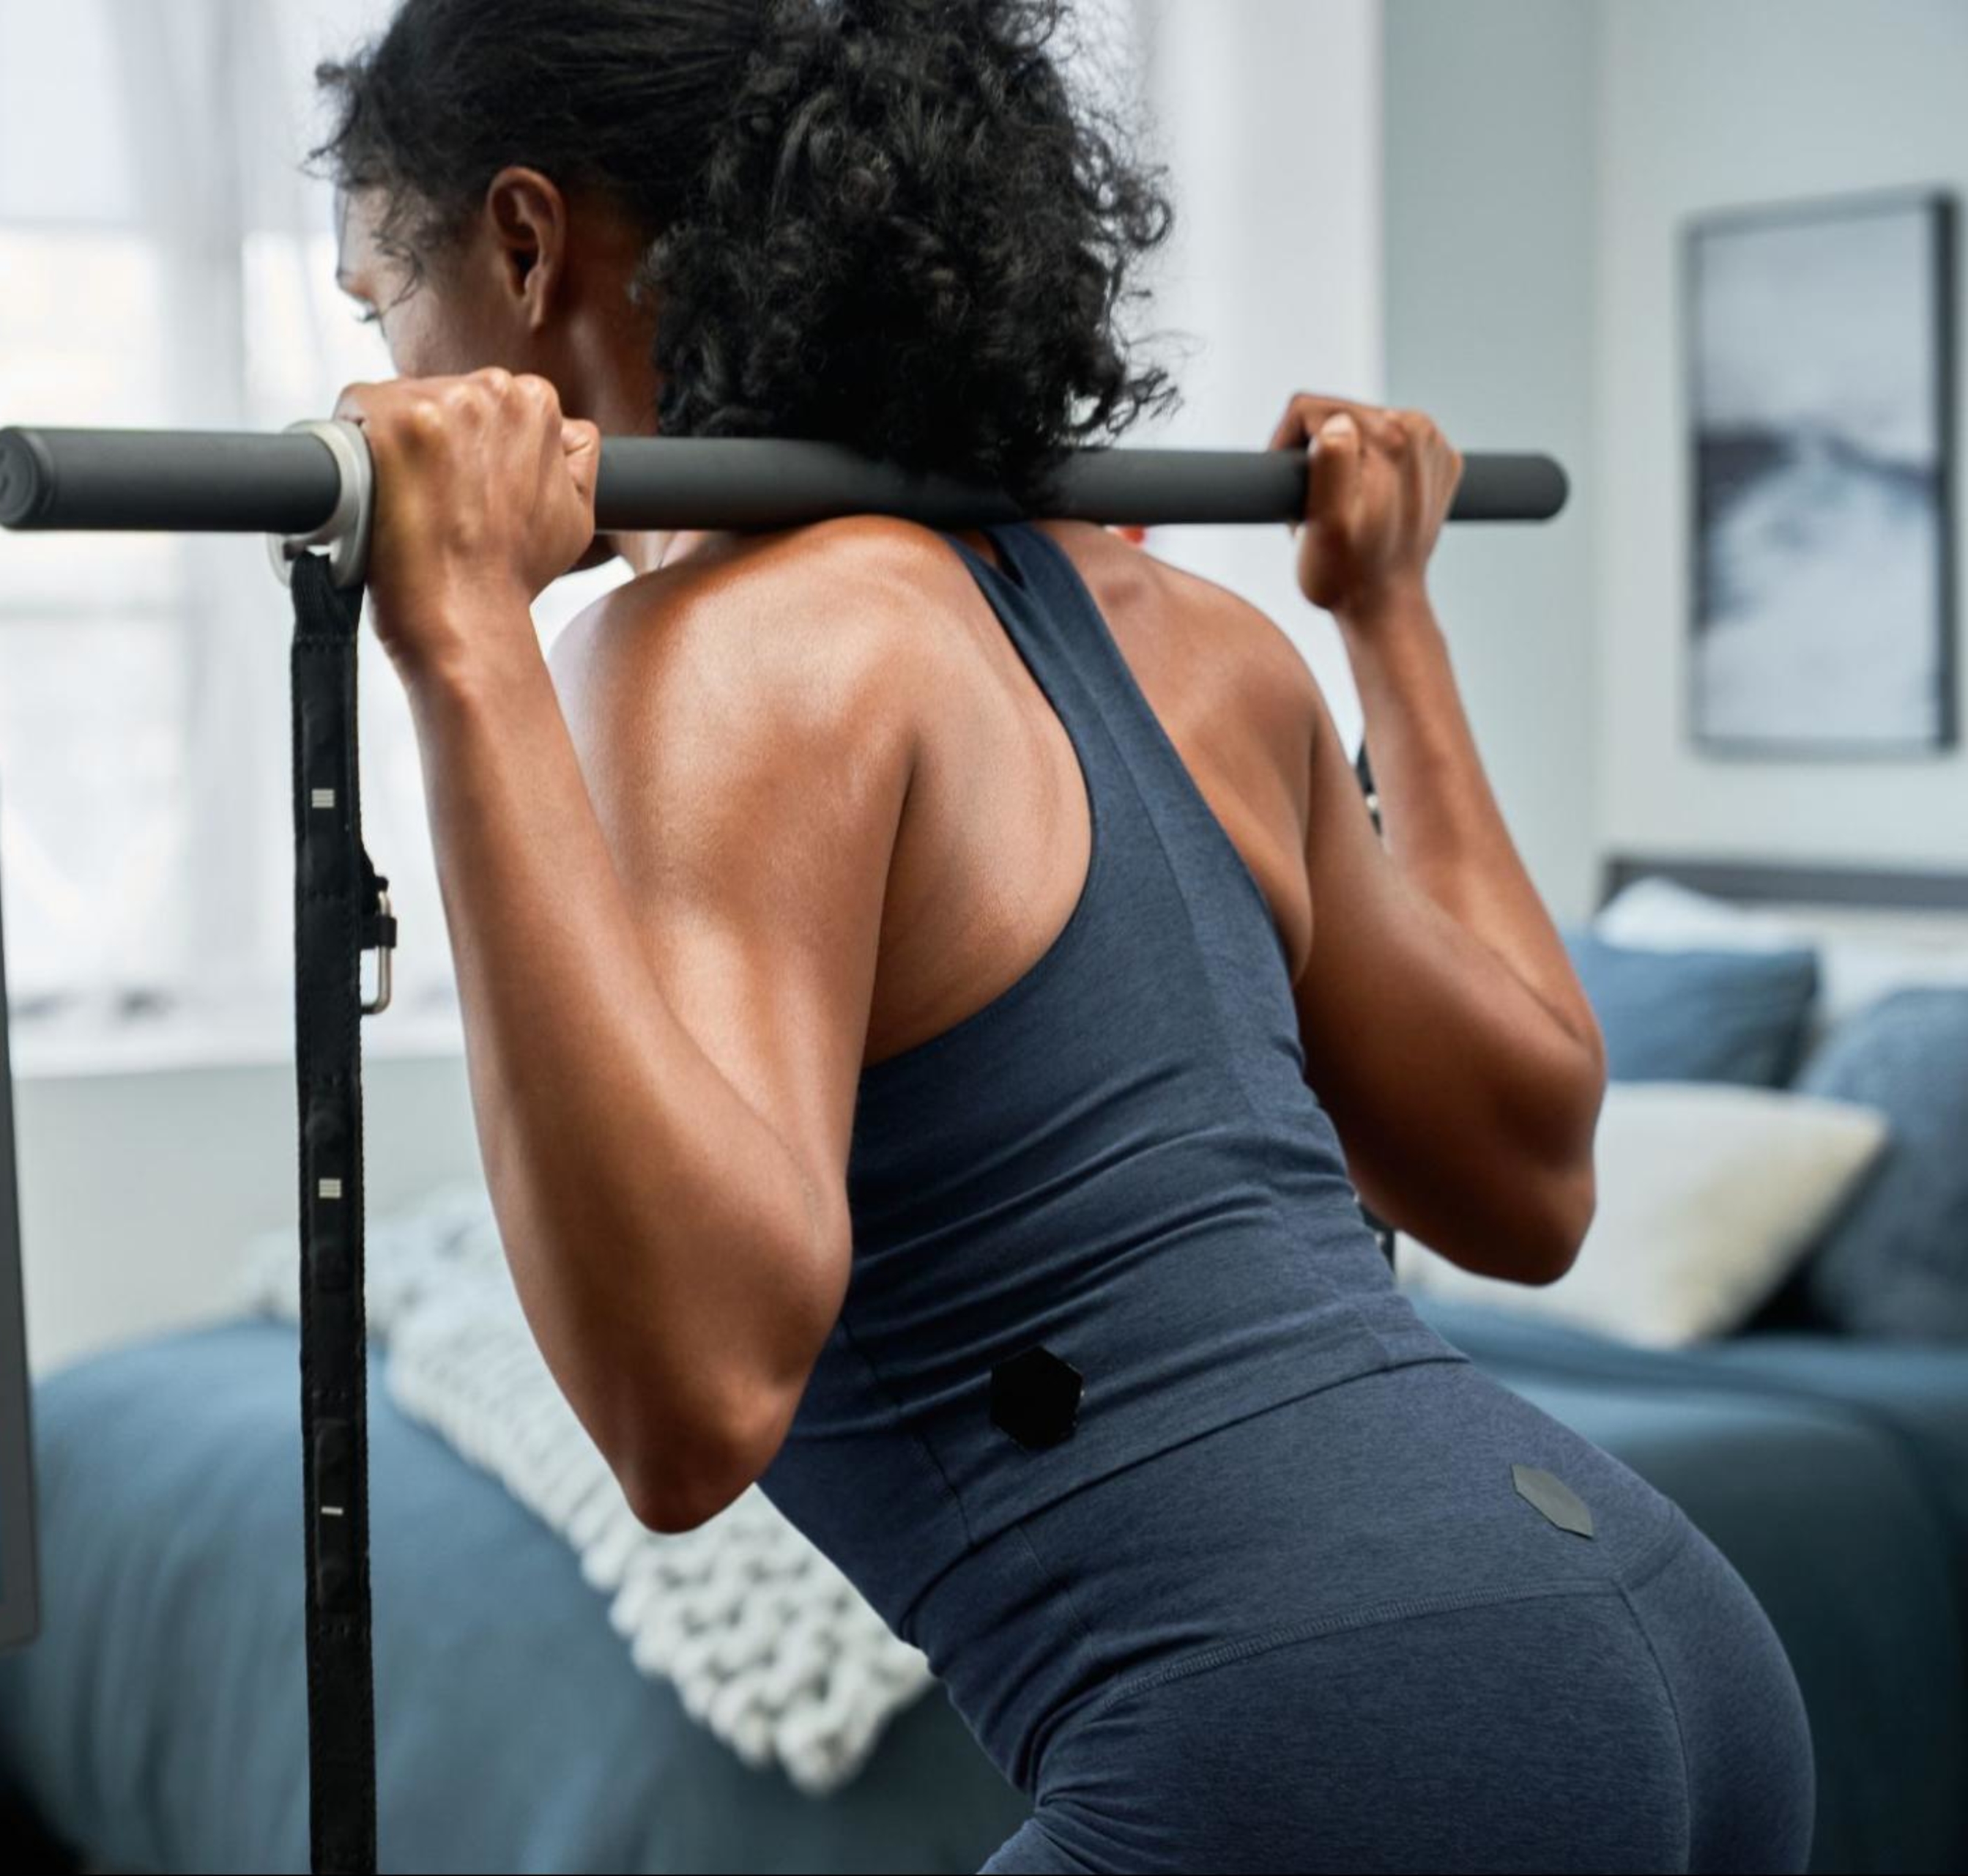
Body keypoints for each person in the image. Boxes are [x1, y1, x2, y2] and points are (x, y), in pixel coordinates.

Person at [311, 1, 1813, 1869]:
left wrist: (463, 650)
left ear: (524, 248)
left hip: (1336, 1729)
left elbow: (684, 1404)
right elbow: (1530, 1159)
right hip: (1672, 1641)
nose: (387, 362)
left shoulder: (734, 652)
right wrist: (1388, 623)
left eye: (381, 304)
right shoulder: (1202, 641)